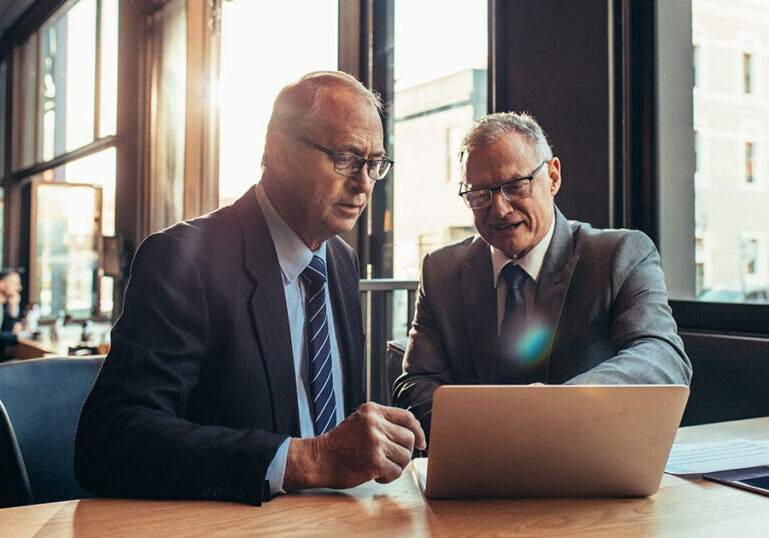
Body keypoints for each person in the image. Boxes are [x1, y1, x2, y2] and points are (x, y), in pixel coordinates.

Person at [75, 71, 425, 506]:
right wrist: (308, 460)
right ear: (279, 153)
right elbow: (112, 438)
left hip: (340, 518)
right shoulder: (184, 257)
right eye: (346, 158)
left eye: (375, 164)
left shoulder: (341, 261)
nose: (364, 182)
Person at [393, 111, 692, 444]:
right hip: (477, 468)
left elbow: (662, 358)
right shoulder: (440, 270)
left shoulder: (619, 255)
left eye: (515, 186)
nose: (500, 209)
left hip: (587, 463)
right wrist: (485, 435)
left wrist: (555, 406)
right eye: (480, 195)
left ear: (552, 177)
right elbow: (416, 383)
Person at [0, 268, 24, 361]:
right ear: (1, 284)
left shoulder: (3, 306)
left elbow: (10, 330)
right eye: (14, 283)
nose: (19, 288)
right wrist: (17, 336)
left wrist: (13, 306)